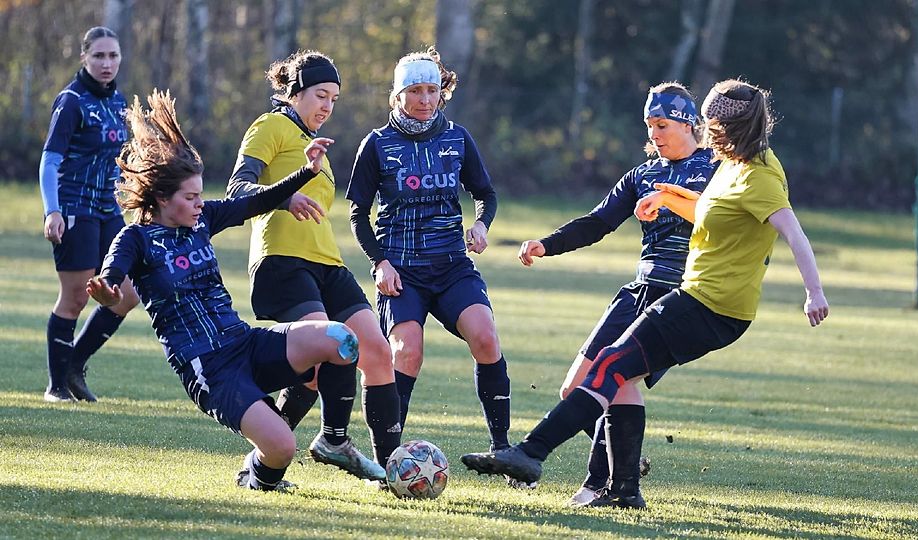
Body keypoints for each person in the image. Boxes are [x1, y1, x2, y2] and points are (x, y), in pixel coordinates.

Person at [462, 79, 830, 509]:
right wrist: (667, 201)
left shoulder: (756, 174)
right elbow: (703, 212)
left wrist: (814, 291)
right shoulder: (730, 165)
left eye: (707, 125)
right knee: (615, 381)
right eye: (650, 124)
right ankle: (622, 490)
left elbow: (793, 231)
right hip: (692, 298)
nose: (703, 132)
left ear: (721, 127)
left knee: (610, 367)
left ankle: (535, 454)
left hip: (704, 302)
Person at [86, 89, 383, 491]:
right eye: (189, 197)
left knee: (341, 339)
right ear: (161, 199)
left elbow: (255, 200)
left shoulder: (203, 218)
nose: (198, 204)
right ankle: (260, 479)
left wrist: (307, 172)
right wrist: (107, 293)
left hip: (244, 343)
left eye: (198, 195)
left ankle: (333, 440)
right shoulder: (135, 239)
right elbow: (112, 277)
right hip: (209, 368)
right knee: (282, 447)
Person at [516, 82, 717, 506]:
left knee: (616, 378)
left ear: (688, 123)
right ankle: (622, 463)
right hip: (638, 290)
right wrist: (546, 244)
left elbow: (730, 218)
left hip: (680, 295)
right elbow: (598, 222)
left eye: (662, 125)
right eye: (649, 126)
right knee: (574, 389)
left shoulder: (716, 168)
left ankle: (605, 486)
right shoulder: (643, 174)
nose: (654, 135)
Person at [225, 50, 395, 481]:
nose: (327, 106)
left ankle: (369, 454)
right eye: (321, 95)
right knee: (322, 354)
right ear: (295, 91)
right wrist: (286, 195)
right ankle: (271, 458)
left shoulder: (318, 145)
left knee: (374, 348)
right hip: (282, 260)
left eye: (334, 99)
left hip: (328, 264)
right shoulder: (271, 126)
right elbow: (237, 187)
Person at [346, 47, 514, 465]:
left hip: (453, 267)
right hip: (402, 271)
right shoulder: (377, 144)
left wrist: (480, 225)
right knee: (408, 350)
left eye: (432, 90)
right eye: (415, 90)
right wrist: (379, 262)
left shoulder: (457, 138)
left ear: (442, 93)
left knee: (486, 337)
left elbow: (485, 194)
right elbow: (357, 213)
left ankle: (503, 449)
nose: (425, 99)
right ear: (397, 95)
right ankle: (390, 457)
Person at [39, 26, 139, 403]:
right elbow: (50, 161)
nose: (107, 63)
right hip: (75, 209)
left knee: (126, 295)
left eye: (113, 56)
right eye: (98, 56)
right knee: (77, 298)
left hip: (108, 210)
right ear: (84, 57)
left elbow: (120, 160)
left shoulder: (118, 102)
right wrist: (53, 210)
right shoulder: (71, 101)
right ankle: (56, 386)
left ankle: (75, 365)